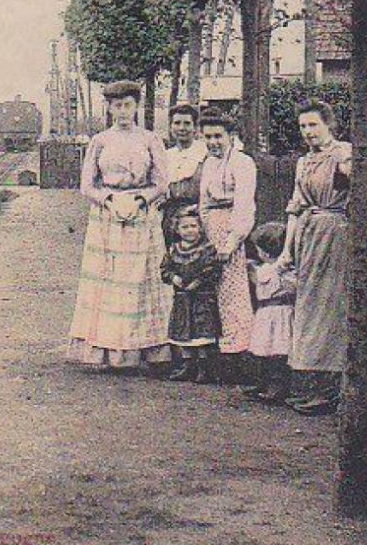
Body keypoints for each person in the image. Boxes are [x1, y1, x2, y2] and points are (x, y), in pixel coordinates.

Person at [67, 81, 171, 371]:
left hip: (142, 214)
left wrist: (141, 199)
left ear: (136, 106)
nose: (122, 111)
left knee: (141, 281)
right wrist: (109, 200)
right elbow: (87, 185)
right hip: (107, 216)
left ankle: (147, 351)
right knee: (110, 282)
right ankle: (109, 352)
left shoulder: (150, 140)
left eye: (127, 105)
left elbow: (162, 183)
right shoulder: (100, 141)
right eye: (117, 106)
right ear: (110, 108)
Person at [279, 101, 351, 416]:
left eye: (313, 125)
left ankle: (332, 391)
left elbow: (361, 177)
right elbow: (295, 209)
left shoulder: (343, 153)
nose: (308, 132)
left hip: (335, 235)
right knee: (308, 308)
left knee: (329, 308)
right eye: (303, 127)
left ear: (328, 125)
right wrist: (286, 250)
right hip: (309, 237)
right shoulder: (304, 162)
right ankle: (313, 386)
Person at [197, 110, 257, 383]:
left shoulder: (243, 163)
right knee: (212, 293)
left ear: (231, 136)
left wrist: (231, 241)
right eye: (208, 137)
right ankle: (215, 357)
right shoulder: (209, 164)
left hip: (234, 232)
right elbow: (204, 203)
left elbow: (244, 205)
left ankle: (239, 357)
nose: (213, 142)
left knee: (235, 295)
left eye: (218, 136)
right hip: (212, 230)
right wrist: (206, 235)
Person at [161, 207, 223, 383]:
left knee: (202, 332)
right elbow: (165, 270)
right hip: (182, 298)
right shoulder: (174, 250)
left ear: (200, 228)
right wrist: (174, 278)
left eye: (193, 226)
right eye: (185, 227)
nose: (190, 230)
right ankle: (188, 366)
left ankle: (204, 368)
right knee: (184, 332)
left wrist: (199, 281)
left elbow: (213, 269)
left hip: (201, 297)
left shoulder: (208, 249)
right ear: (177, 230)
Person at [245, 222, 296, 403]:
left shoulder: (284, 270)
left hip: (279, 312)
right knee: (264, 348)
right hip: (265, 312)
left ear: (265, 252)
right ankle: (263, 382)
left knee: (278, 350)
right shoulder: (263, 268)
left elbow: (292, 286)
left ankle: (278, 386)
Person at [161, 104, 208, 246]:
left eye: (187, 123)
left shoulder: (204, 153)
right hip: (171, 218)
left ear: (195, 127)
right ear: (170, 127)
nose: (182, 128)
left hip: (197, 218)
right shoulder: (166, 156)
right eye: (177, 123)